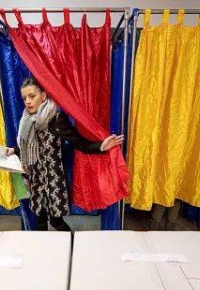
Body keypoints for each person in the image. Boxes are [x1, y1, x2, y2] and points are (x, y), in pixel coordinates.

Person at [6, 77, 123, 231]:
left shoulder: (57, 119)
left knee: (56, 222)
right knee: (39, 223)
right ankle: (43, 253)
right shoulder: (26, 120)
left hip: (54, 183)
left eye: (32, 96)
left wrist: (101, 146)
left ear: (43, 95)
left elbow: (79, 143)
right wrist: (14, 150)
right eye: (24, 98)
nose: (28, 101)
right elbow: (28, 146)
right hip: (36, 181)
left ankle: (72, 249)